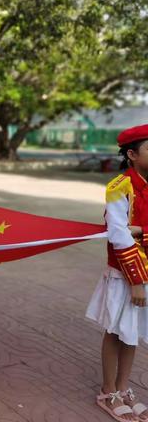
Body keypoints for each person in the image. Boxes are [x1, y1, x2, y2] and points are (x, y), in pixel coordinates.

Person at [86, 124, 148, 422]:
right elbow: (119, 236)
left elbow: (135, 233)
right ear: (133, 154)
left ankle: (124, 388)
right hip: (125, 272)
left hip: (145, 272)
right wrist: (136, 280)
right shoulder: (118, 187)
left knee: (132, 332)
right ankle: (108, 390)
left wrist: (142, 233)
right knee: (115, 331)